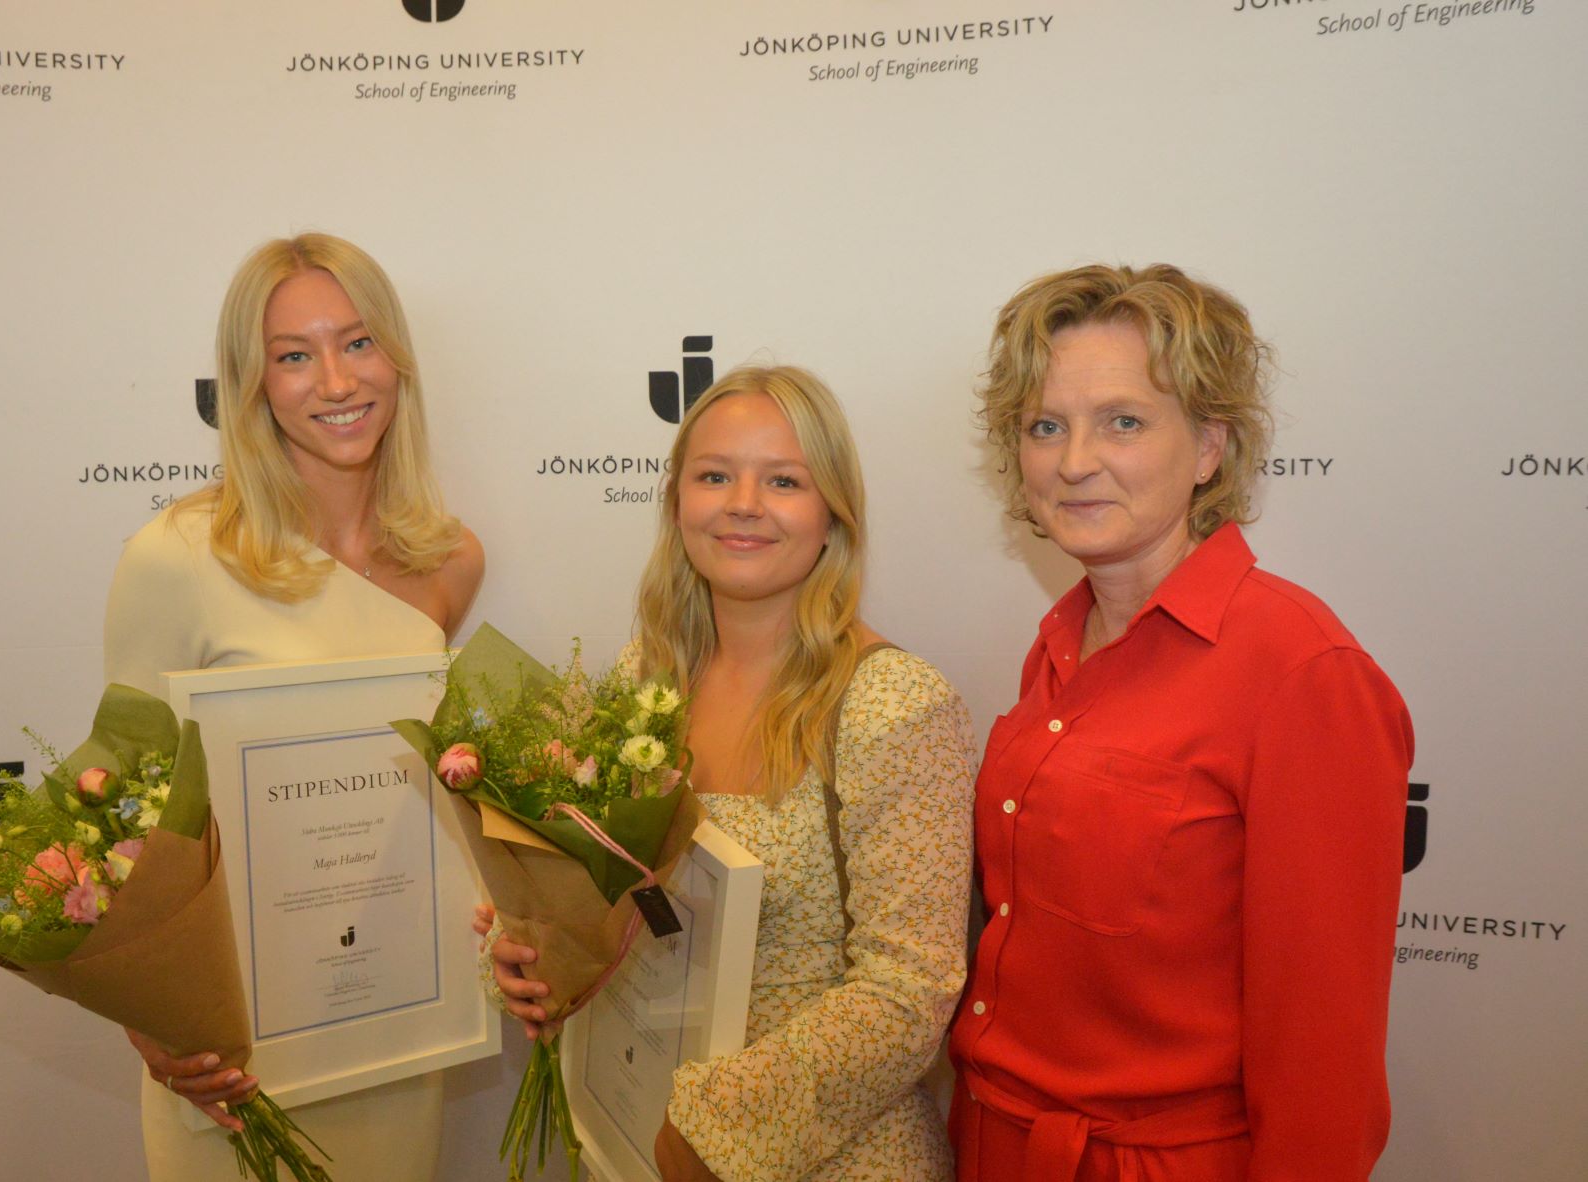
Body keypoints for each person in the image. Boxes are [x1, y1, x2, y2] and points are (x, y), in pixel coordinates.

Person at [949, 263, 1412, 1181]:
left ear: (1207, 446)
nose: (1074, 461)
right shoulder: (1058, 641)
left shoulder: (1301, 673)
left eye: (1122, 421)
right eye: (1045, 426)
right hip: (996, 1141)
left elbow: (1323, 1052)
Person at [480, 365, 976, 1181]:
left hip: (829, 1159)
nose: (743, 503)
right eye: (714, 476)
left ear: (832, 515)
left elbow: (908, 992)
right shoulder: (645, 680)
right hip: (638, 1133)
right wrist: (525, 955)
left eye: (783, 481)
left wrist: (717, 1130)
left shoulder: (891, 703)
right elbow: (593, 901)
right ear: (677, 502)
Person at [103, 232, 482, 1181]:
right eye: (293, 355)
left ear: (396, 356)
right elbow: (120, 808)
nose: (336, 381)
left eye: (357, 342)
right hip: (230, 1046)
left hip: (393, 1020)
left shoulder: (449, 559)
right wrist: (147, 1015)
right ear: (252, 383)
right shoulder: (176, 556)